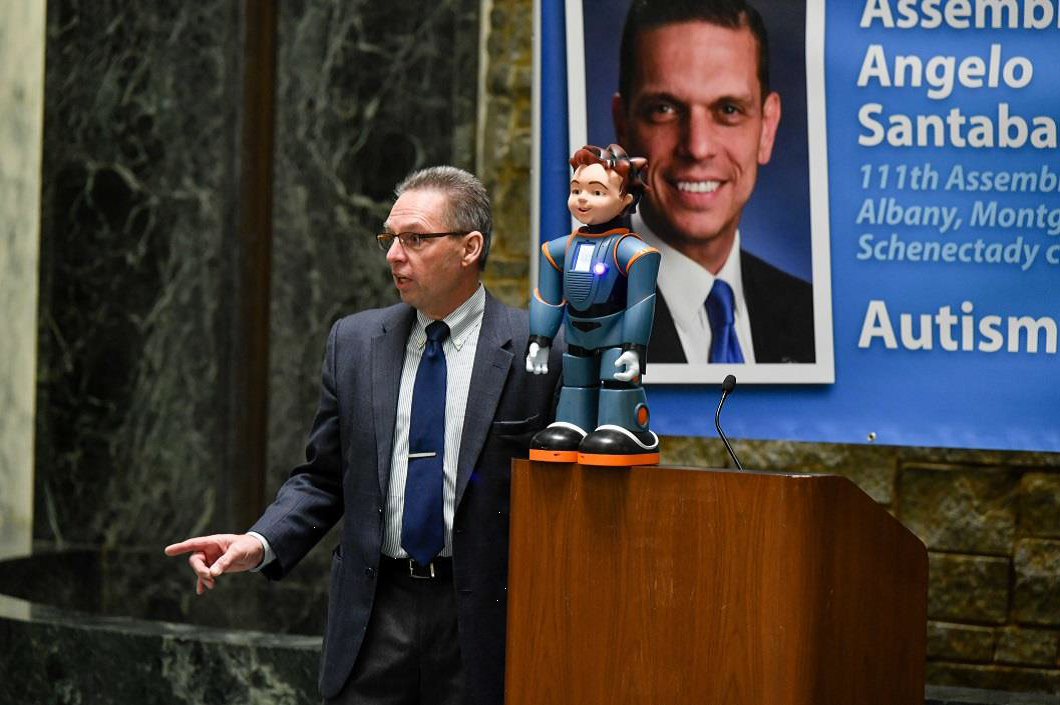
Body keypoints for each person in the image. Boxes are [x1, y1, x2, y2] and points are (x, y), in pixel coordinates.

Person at [165, 166, 561, 705]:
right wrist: (259, 541)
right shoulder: (354, 343)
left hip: (484, 623)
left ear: (470, 248)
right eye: (390, 239)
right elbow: (325, 476)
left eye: (416, 239)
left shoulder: (538, 351)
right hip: (375, 616)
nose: (394, 255)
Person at [612, 0, 815, 364]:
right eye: (664, 109)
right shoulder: (581, 312)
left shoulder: (812, 318)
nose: (697, 147)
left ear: (767, 129)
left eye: (728, 110)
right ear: (622, 127)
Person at [525, 144, 661, 465]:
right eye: (576, 190)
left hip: (616, 335)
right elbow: (547, 297)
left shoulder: (634, 252)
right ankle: (574, 423)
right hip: (576, 336)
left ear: (625, 200)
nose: (583, 199)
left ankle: (623, 426)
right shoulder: (558, 250)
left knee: (616, 383)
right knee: (576, 382)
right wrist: (540, 339)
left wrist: (634, 347)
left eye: (597, 192)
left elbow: (641, 302)